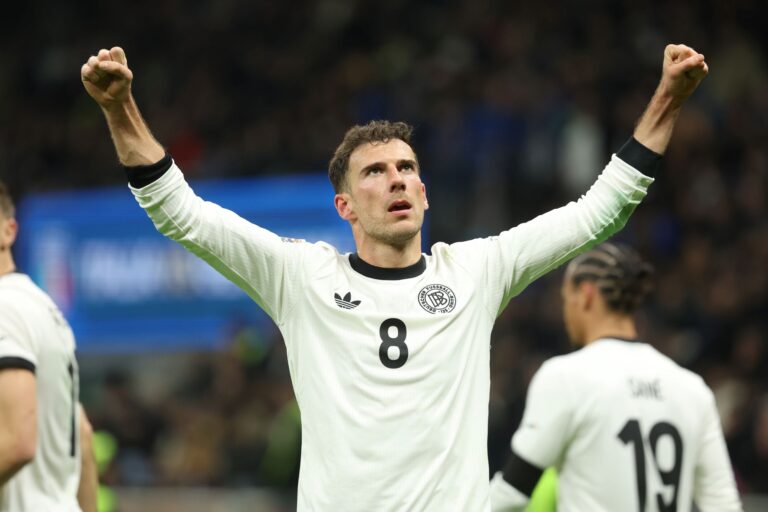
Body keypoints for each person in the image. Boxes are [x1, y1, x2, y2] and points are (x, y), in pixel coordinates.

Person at [81, 43, 707, 510]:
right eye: (375, 172)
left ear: (425, 193)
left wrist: (666, 101)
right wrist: (120, 106)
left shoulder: (477, 271)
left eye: (407, 168)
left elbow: (598, 213)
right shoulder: (300, 278)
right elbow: (181, 213)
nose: (398, 179)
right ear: (345, 207)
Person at [489, 243, 742, 512]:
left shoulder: (566, 377)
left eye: (566, 299)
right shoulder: (693, 389)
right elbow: (723, 504)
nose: (565, 315)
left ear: (586, 295)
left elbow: (512, 493)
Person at [0, 181, 98, 512]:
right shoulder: (44, 308)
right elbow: (83, 435)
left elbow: (17, 443)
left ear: (9, 231)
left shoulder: (4, 308)